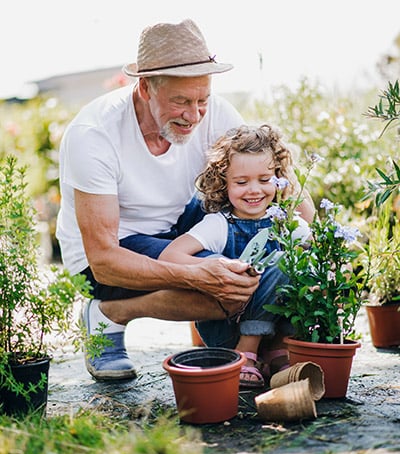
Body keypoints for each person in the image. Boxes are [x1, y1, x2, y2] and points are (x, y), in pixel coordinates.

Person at [56, 19, 315, 382]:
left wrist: (312, 239)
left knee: (244, 272)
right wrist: (198, 274)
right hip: (114, 252)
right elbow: (103, 260)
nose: (194, 115)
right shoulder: (95, 134)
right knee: (224, 290)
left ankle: (271, 348)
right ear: (145, 87)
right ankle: (110, 313)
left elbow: (268, 170)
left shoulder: (215, 112)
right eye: (180, 101)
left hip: (179, 228)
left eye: (202, 100)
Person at [159, 124, 312, 388]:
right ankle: (246, 351)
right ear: (223, 183)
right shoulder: (220, 224)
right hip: (225, 329)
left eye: (265, 180)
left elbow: (318, 252)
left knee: (301, 265)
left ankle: (276, 351)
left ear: (278, 177)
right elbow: (170, 255)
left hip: (275, 332)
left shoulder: (288, 223)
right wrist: (214, 265)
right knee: (280, 263)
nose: (254, 190)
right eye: (241, 182)